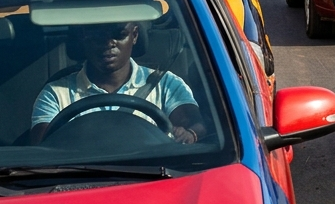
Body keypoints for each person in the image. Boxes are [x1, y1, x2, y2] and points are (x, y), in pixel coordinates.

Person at [28, 21, 205, 146]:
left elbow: (194, 124)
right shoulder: (56, 93)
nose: (109, 43)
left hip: (154, 177)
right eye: (98, 36)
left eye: (119, 35)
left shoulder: (166, 84)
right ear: (84, 37)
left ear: (134, 35)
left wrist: (189, 134)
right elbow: (43, 148)